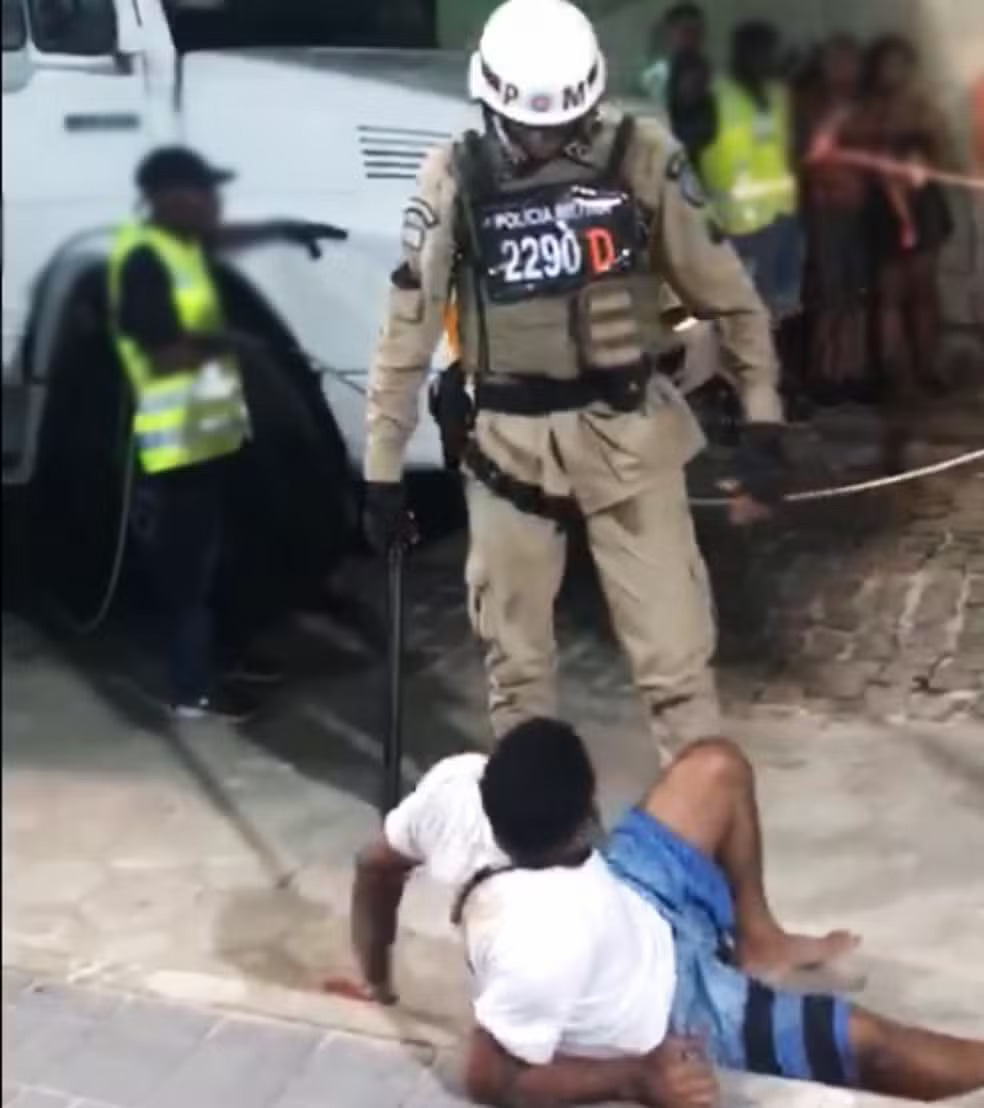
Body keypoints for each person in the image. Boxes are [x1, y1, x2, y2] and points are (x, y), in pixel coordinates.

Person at [362, 0, 786, 762]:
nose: (546, 141)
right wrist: (382, 469)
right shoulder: (455, 176)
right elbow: (408, 324)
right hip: (508, 446)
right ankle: (538, 851)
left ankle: (702, 844)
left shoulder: (641, 156)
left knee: (679, 669)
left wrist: (762, 420)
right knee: (518, 676)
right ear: (489, 101)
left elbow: (729, 294)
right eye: (528, 126)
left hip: (630, 434)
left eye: (563, 125)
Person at [351, 718, 984, 1105]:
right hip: (674, 1003)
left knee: (716, 768)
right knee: (872, 1046)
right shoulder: (539, 944)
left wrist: (376, 982)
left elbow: (374, 866)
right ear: (586, 814)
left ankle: (758, 938)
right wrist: (635, 1079)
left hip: (630, 896)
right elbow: (493, 1080)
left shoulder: (457, 786)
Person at [110, 145, 345, 720]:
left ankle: (229, 656)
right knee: (189, 574)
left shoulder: (180, 245)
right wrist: (232, 345)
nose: (214, 202)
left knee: (232, 557)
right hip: (181, 445)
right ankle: (191, 692)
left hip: (214, 434)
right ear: (168, 199)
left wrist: (284, 231)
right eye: (203, 192)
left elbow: (225, 238)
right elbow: (162, 353)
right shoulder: (143, 260)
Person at [856, 36, 953, 471]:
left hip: (924, 200)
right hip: (881, 204)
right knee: (890, 293)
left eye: (901, 64)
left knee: (924, 290)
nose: (894, 73)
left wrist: (923, 162)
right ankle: (896, 372)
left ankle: (927, 366)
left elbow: (939, 148)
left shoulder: (923, 103)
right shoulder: (868, 109)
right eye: (887, 65)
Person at [695, 22, 802, 320]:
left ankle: (776, 361)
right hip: (738, 226)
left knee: (780, 305)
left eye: (771, 52)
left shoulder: (778, 93)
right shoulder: (714, 97)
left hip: (781, 217)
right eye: (762, 51)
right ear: (742, 54)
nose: (769, 58)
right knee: (743, 313)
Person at [796, 35, 870, 403]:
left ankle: (850, 371)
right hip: (825, 209)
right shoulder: (812, 103)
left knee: (854, 296)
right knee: (829, 294)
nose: (846, 69)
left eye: (851, 61)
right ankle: (824, 372)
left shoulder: (862, 104)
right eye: (839, 61)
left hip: (859, 209)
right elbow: (808, 155)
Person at [638, 2, 707, 112]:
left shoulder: (710, 77)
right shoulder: (652, 78)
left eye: (698, 32)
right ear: (670, 33)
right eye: (686, 31)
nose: (692, 38)